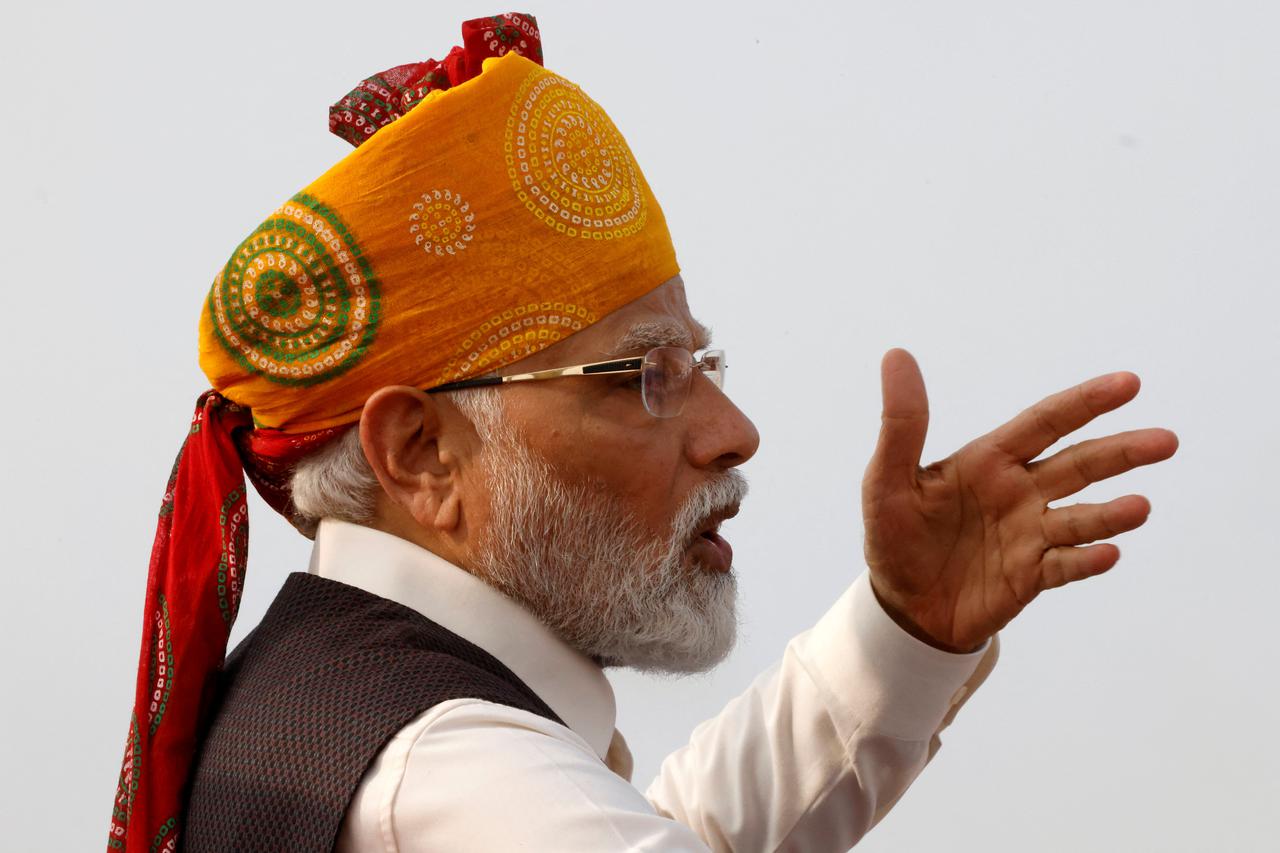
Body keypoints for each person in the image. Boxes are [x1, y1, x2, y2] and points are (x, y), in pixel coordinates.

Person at [107, 13, 1179, 853]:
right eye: (644, 377)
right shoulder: (447, 779)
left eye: (702, 367)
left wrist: (904, 629)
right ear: (422, 455)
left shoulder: (350, 715)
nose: (733, 431)